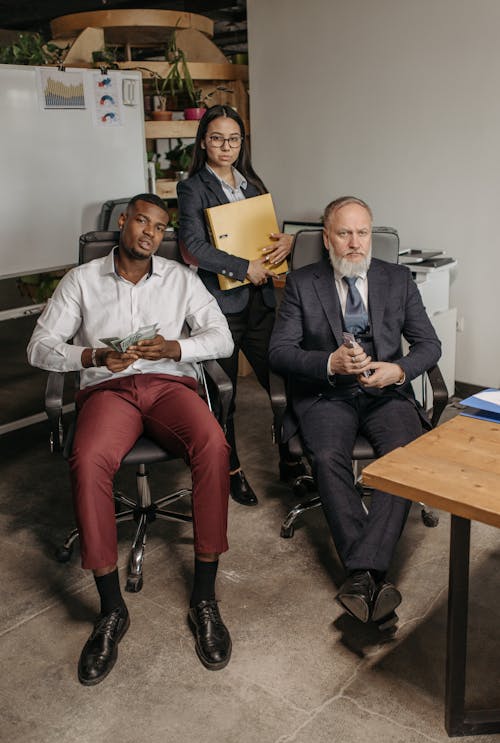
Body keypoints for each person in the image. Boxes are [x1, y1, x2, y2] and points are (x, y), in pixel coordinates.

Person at [27, 193, 234, 684]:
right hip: (110, 390)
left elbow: (221, 337)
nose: (149, 233)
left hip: (168, 385)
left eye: (159, 227)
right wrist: (92, 358)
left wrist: (175, 346)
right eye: (142, 221)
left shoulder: (182, 280)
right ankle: (111, 609)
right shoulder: (81, 280)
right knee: (89, 456)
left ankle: (204, 599)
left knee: (214, 445)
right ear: (124, 222)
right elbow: (39, 345)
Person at [268, 196, 441, 626]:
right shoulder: (303, 283)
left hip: (385, 395)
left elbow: (429, 345)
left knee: (402, 459)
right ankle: (371, 578)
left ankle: (361, 577)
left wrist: (397, 370)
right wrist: (329, 363)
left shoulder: (398, 280)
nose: (354, 243)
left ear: (371, 235)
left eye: (362, 233)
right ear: (326, 238)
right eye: (344, 233)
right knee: (328, 458)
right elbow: (279, 352)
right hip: (327, 395)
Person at [177, 105, 304, 507]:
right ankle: (230, 471)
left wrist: (287, 241)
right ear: (203, 142)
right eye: (217, 138)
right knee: (224, 395)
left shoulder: (252, 182)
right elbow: (193, 247)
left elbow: (265, 234)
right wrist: (241, 266)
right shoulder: (193, 187)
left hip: (261, 302)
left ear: (241, 142)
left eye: (233, 139)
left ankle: (292, 459)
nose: (226, 146)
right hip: (223, 306)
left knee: (283, 383)